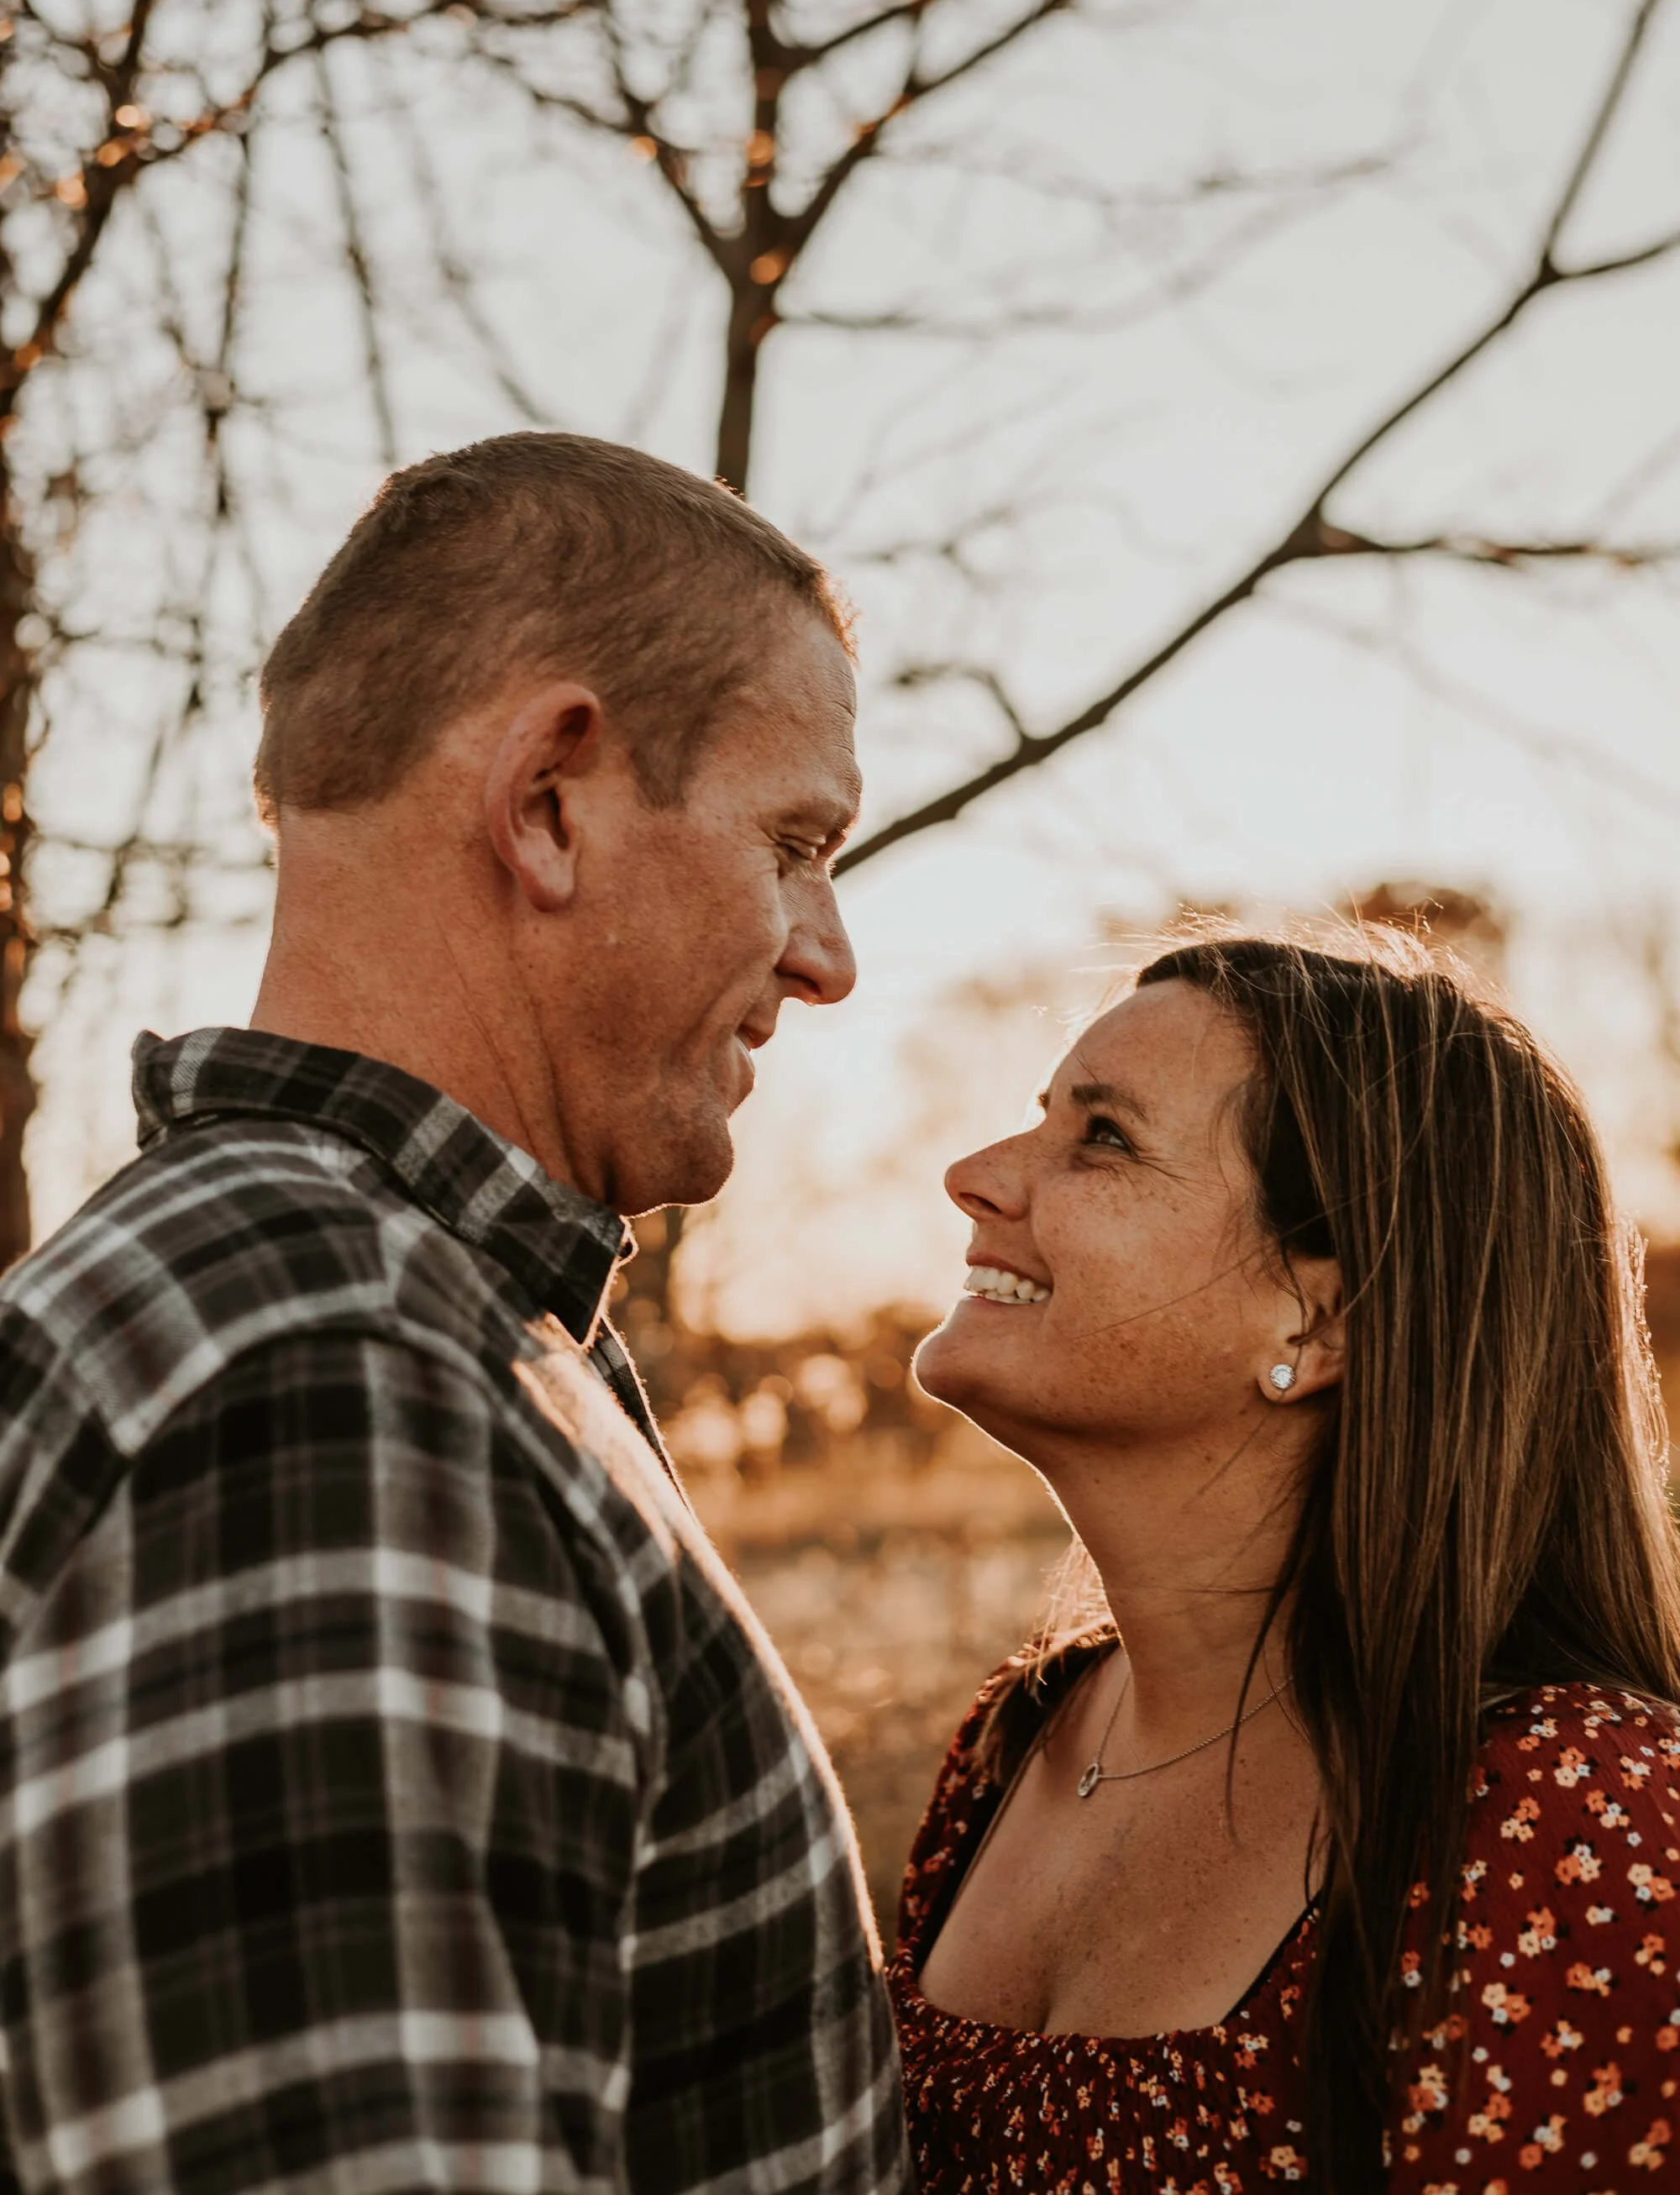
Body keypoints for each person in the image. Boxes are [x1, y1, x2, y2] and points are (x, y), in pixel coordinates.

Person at [0, 433, 908, 2195]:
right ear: (548, 801)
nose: (825, 951)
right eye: (792, 842)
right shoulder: (335, 1380)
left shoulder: (348, 1310)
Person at [892, 931, 1680, 2192]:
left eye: (1101, 1138)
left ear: (1321, 1318)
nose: (974, 1175)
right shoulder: (1015, 1740)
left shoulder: (1579, 1826)